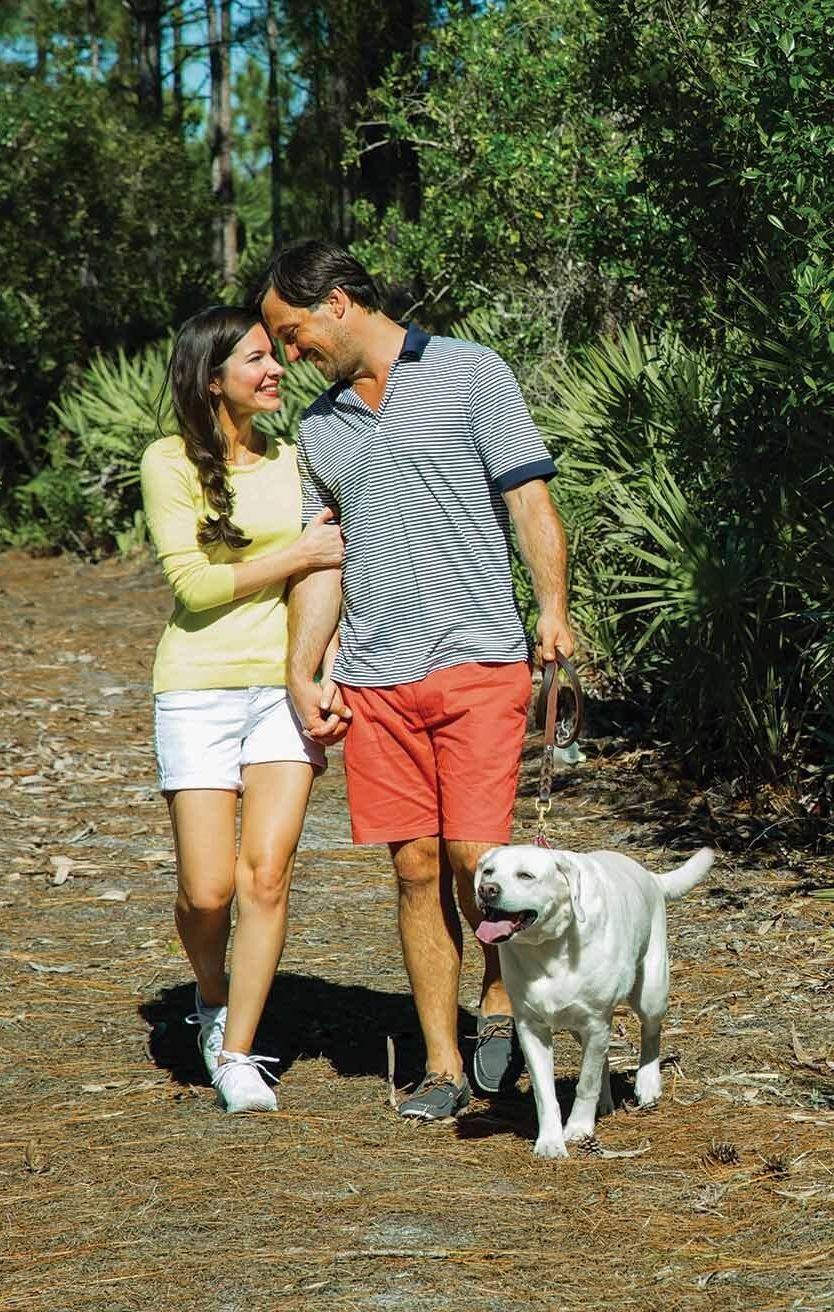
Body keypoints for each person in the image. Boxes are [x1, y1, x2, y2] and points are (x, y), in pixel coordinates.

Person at [260, 241, 575, 1123]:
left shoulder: (473, 372)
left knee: (478, 858)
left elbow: (529, 500)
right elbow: (326, 561)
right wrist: (301, 670)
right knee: (413, 867)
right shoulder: (318, 427)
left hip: (477, 657)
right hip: (374, 679)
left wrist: (552, 607)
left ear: (336, 303)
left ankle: (502, 1006)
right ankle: (440, 1064)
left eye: (293, 332)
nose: (290, 354)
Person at [140, 305, 345, 1113]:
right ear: (211, 377)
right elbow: (191, 585)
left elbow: (324, 577)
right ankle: (213, 994)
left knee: (266, 876)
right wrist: (295, 551)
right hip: (195, 686)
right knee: (208, 892)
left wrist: (322, 671)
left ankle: (237, 1053)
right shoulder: (167, 462)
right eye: (256, 359)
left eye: (276, 356)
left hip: (281, 693)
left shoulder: (296, 461)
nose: (276, 370)